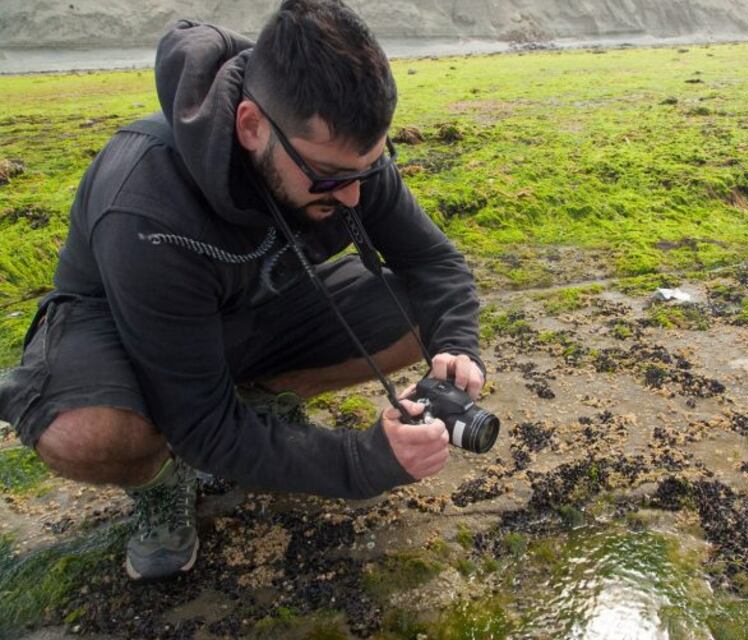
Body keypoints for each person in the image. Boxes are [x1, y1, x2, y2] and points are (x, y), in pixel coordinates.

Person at [0, 0, 485, 581]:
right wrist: (362, 461)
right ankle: (160, 479)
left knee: (420, 314)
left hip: (251, 304)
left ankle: (256, 413)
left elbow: (433, 262)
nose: (354, 197)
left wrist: (456, 343)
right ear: (252, 125)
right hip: (119, 330)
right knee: (88, 432)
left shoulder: (343, 156)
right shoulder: (146, 204)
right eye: (331, 178)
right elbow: (201, 423)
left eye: (367, 171)